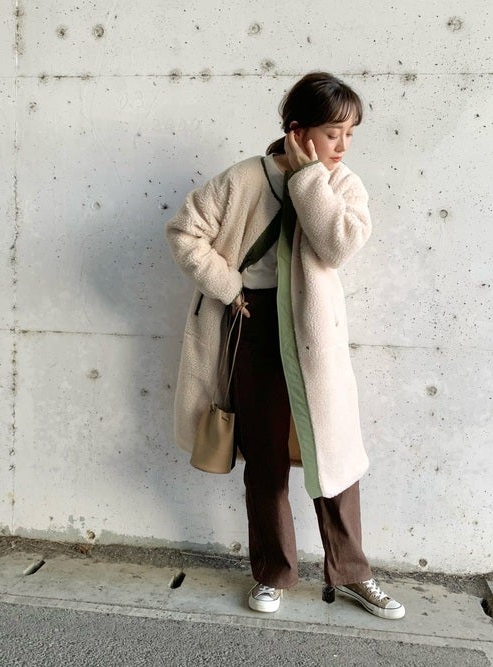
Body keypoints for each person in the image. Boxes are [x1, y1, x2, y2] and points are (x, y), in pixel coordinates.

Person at [165, 72, 405, 620]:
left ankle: (353, 574)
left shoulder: (342, 184)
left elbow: (338, 245)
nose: (343, 146)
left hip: (314, 335)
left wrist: (310, 179)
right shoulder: (244, 178)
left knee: (335, 455)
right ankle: (272, 574)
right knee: (265, 457)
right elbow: (184, 232)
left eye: (350, 134)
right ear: (298, 132)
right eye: (332, 133)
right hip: (253, 329)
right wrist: (228, 287)